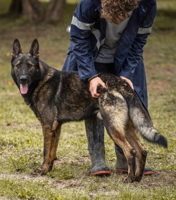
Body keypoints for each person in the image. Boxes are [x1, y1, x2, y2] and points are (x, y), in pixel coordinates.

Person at [62, 0, 156, 176]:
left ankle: (124, 158)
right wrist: (91, 75)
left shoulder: (147, 3)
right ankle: (98, 158)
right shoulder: (89, 3)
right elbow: (78, 37)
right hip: (90, 55)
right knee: (95, 98)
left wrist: (127, 73)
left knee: (127, 103)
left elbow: (138, 40)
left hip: (124, 57)